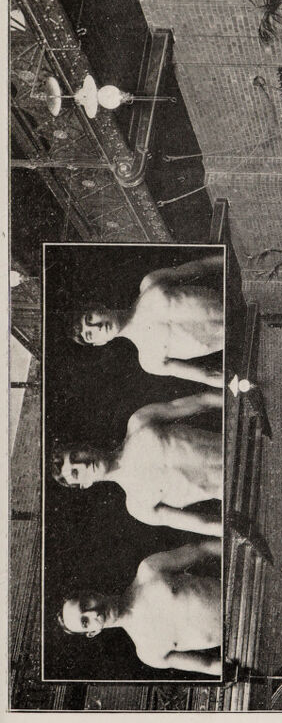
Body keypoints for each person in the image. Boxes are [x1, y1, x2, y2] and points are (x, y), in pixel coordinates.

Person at [52, 391, 224, 535]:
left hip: (239, 444)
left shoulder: (139, 422)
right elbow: (204, 525)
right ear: (85, 484)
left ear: (85, 447)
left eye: (76, 456)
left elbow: (202, 401)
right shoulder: (138, 505)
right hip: (231, 489)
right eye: (76, 472)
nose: (83, 465)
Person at [59, 539, 223, 676]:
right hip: (239, 636)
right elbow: (209, 665)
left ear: (92, 593)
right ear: (93, 632)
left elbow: (203, 549)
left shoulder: (149, 570)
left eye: (86, 605)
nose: (94, 613)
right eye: (85, 622)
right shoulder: (148, 652)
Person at [70, 253, 225, 387]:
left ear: (99, 306)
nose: (98, 327)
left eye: (90, 318)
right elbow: (207, 375)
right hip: (237, 337)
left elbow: (202, 266)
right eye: (90, 334)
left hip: (233, 297)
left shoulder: (150, 283)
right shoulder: (149, 360)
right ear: (100, 343)